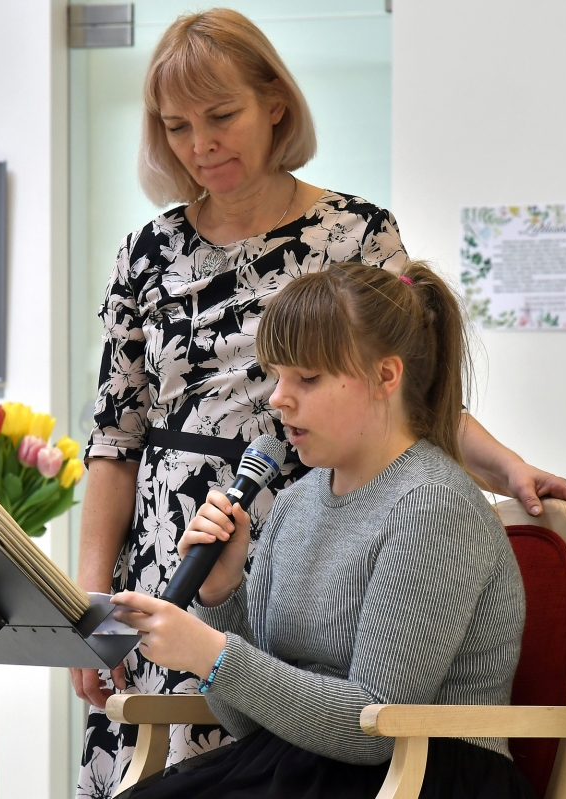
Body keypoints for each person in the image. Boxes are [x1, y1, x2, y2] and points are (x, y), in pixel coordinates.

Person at [74, 9, 566, 795]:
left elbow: (416, 387)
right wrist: (200, 598)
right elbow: (116, 438)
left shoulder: (354, 238)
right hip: (194, 540)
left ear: (275, 105)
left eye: (221, 116)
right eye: (176, 127)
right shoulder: (299, 504)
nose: (200, 144)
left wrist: (505, 467)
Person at [108, 262, 534, 799]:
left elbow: (373, 729)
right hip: (312, 767)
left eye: (307, 378)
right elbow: (250, 723)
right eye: (277, 374)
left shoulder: (434, 506)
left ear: (386, 376)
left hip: (423, 775)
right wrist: (221, 594)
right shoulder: (294, 502)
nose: (278, 398)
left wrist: (213, 653)